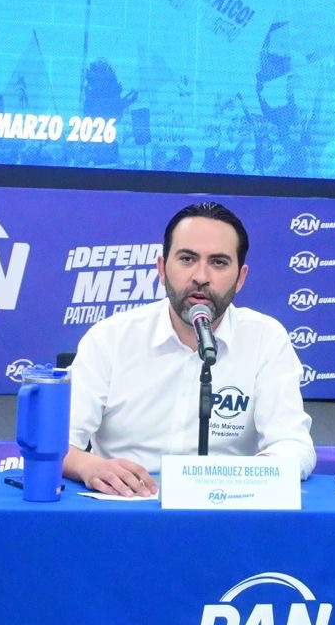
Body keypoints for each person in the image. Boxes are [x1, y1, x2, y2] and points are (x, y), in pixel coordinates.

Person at [63, 201, 316, 496]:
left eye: (218, 262)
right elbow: (56, 443)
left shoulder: (265, 338)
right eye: (187, 259)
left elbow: (293, 444)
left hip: (226, 505)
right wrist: (90, 466)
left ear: (240, 278)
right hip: (126, 504)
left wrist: (250, 478)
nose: (201, 276)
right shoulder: (111, 337)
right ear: (161, 269)